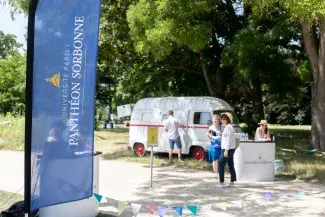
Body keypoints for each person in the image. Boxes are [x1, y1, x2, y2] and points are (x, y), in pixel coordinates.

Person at [216, 112, 237, 188]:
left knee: (221, 164)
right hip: (230, 149)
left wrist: (226, 150)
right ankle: (232, 182)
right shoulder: (228, 127)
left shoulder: (228, 127)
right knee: (231, 165)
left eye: (224, 119)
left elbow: (228, 140)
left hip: (227, 149)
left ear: (228, 119)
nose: (222, 120)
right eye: (222, 119)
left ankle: (221, 183)